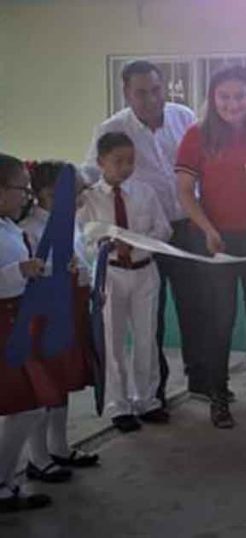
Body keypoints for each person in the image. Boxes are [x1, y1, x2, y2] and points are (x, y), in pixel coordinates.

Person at [176, 64, 246, 428]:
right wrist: (206, 228)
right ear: (212, 98)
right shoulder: (197, 136)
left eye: (239, 96)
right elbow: (184, 192)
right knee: (220, 321)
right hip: (217, 240)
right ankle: (218, 397)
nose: (232, 103)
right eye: (223, 96)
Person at [83, 60, 200, 401]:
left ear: (164, 87)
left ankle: (201, 378)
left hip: (186, 226)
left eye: (155, 90)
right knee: (151, 320)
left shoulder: (184, 117)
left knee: (196, 307)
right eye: (141, 92)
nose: (150, 99)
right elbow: (91, 171)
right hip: (141, 237)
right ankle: (153, 392)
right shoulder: (112, 128)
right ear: (126, 92)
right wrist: (64, 188)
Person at [79, 133, 171, 432]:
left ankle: (147, 400)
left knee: (146, 338)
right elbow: (84, 241)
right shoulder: (89, 198)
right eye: (118, 161)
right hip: (111, 275)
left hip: (145, 271)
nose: (125, 167)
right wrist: (105, 248)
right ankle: (119, 405)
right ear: (101, 162)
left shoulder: (144, 192)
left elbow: (163, 229)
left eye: (130, 161)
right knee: (113, 340)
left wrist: (138, 245)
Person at [20, 161, 99, 481]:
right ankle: (37, 458)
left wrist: (87, 278)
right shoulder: (29, 229)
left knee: (63, 382)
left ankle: (59, 447)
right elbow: (30, 275)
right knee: (44, 389)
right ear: (49, 194)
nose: (82, 199)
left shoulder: (70, 222)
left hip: (70, 311)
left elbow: (79, 264)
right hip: (43, 317)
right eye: (78, 192)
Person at [0, 153, 57, 512]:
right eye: (21, 189)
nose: (27, 196)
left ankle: (6, 480)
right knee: (27, 405)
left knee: (32, 406)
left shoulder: (8, 225)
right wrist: (19, 270)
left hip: (17, 319)